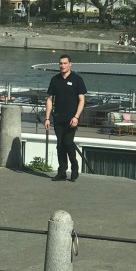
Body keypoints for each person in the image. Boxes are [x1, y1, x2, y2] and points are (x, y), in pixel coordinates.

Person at [44, 54, 87, 182]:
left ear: (70, 64)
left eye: (65, 63)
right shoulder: (55, 79)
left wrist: (76, 116)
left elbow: (82, 100)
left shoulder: (77, 79)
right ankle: (62, 172)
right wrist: (47, 118)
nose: (62, 66)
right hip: (58, 118)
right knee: (60, 145)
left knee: (68, 143)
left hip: (72, 119)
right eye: (60, 63)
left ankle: (74, 167)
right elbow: (50, 99)